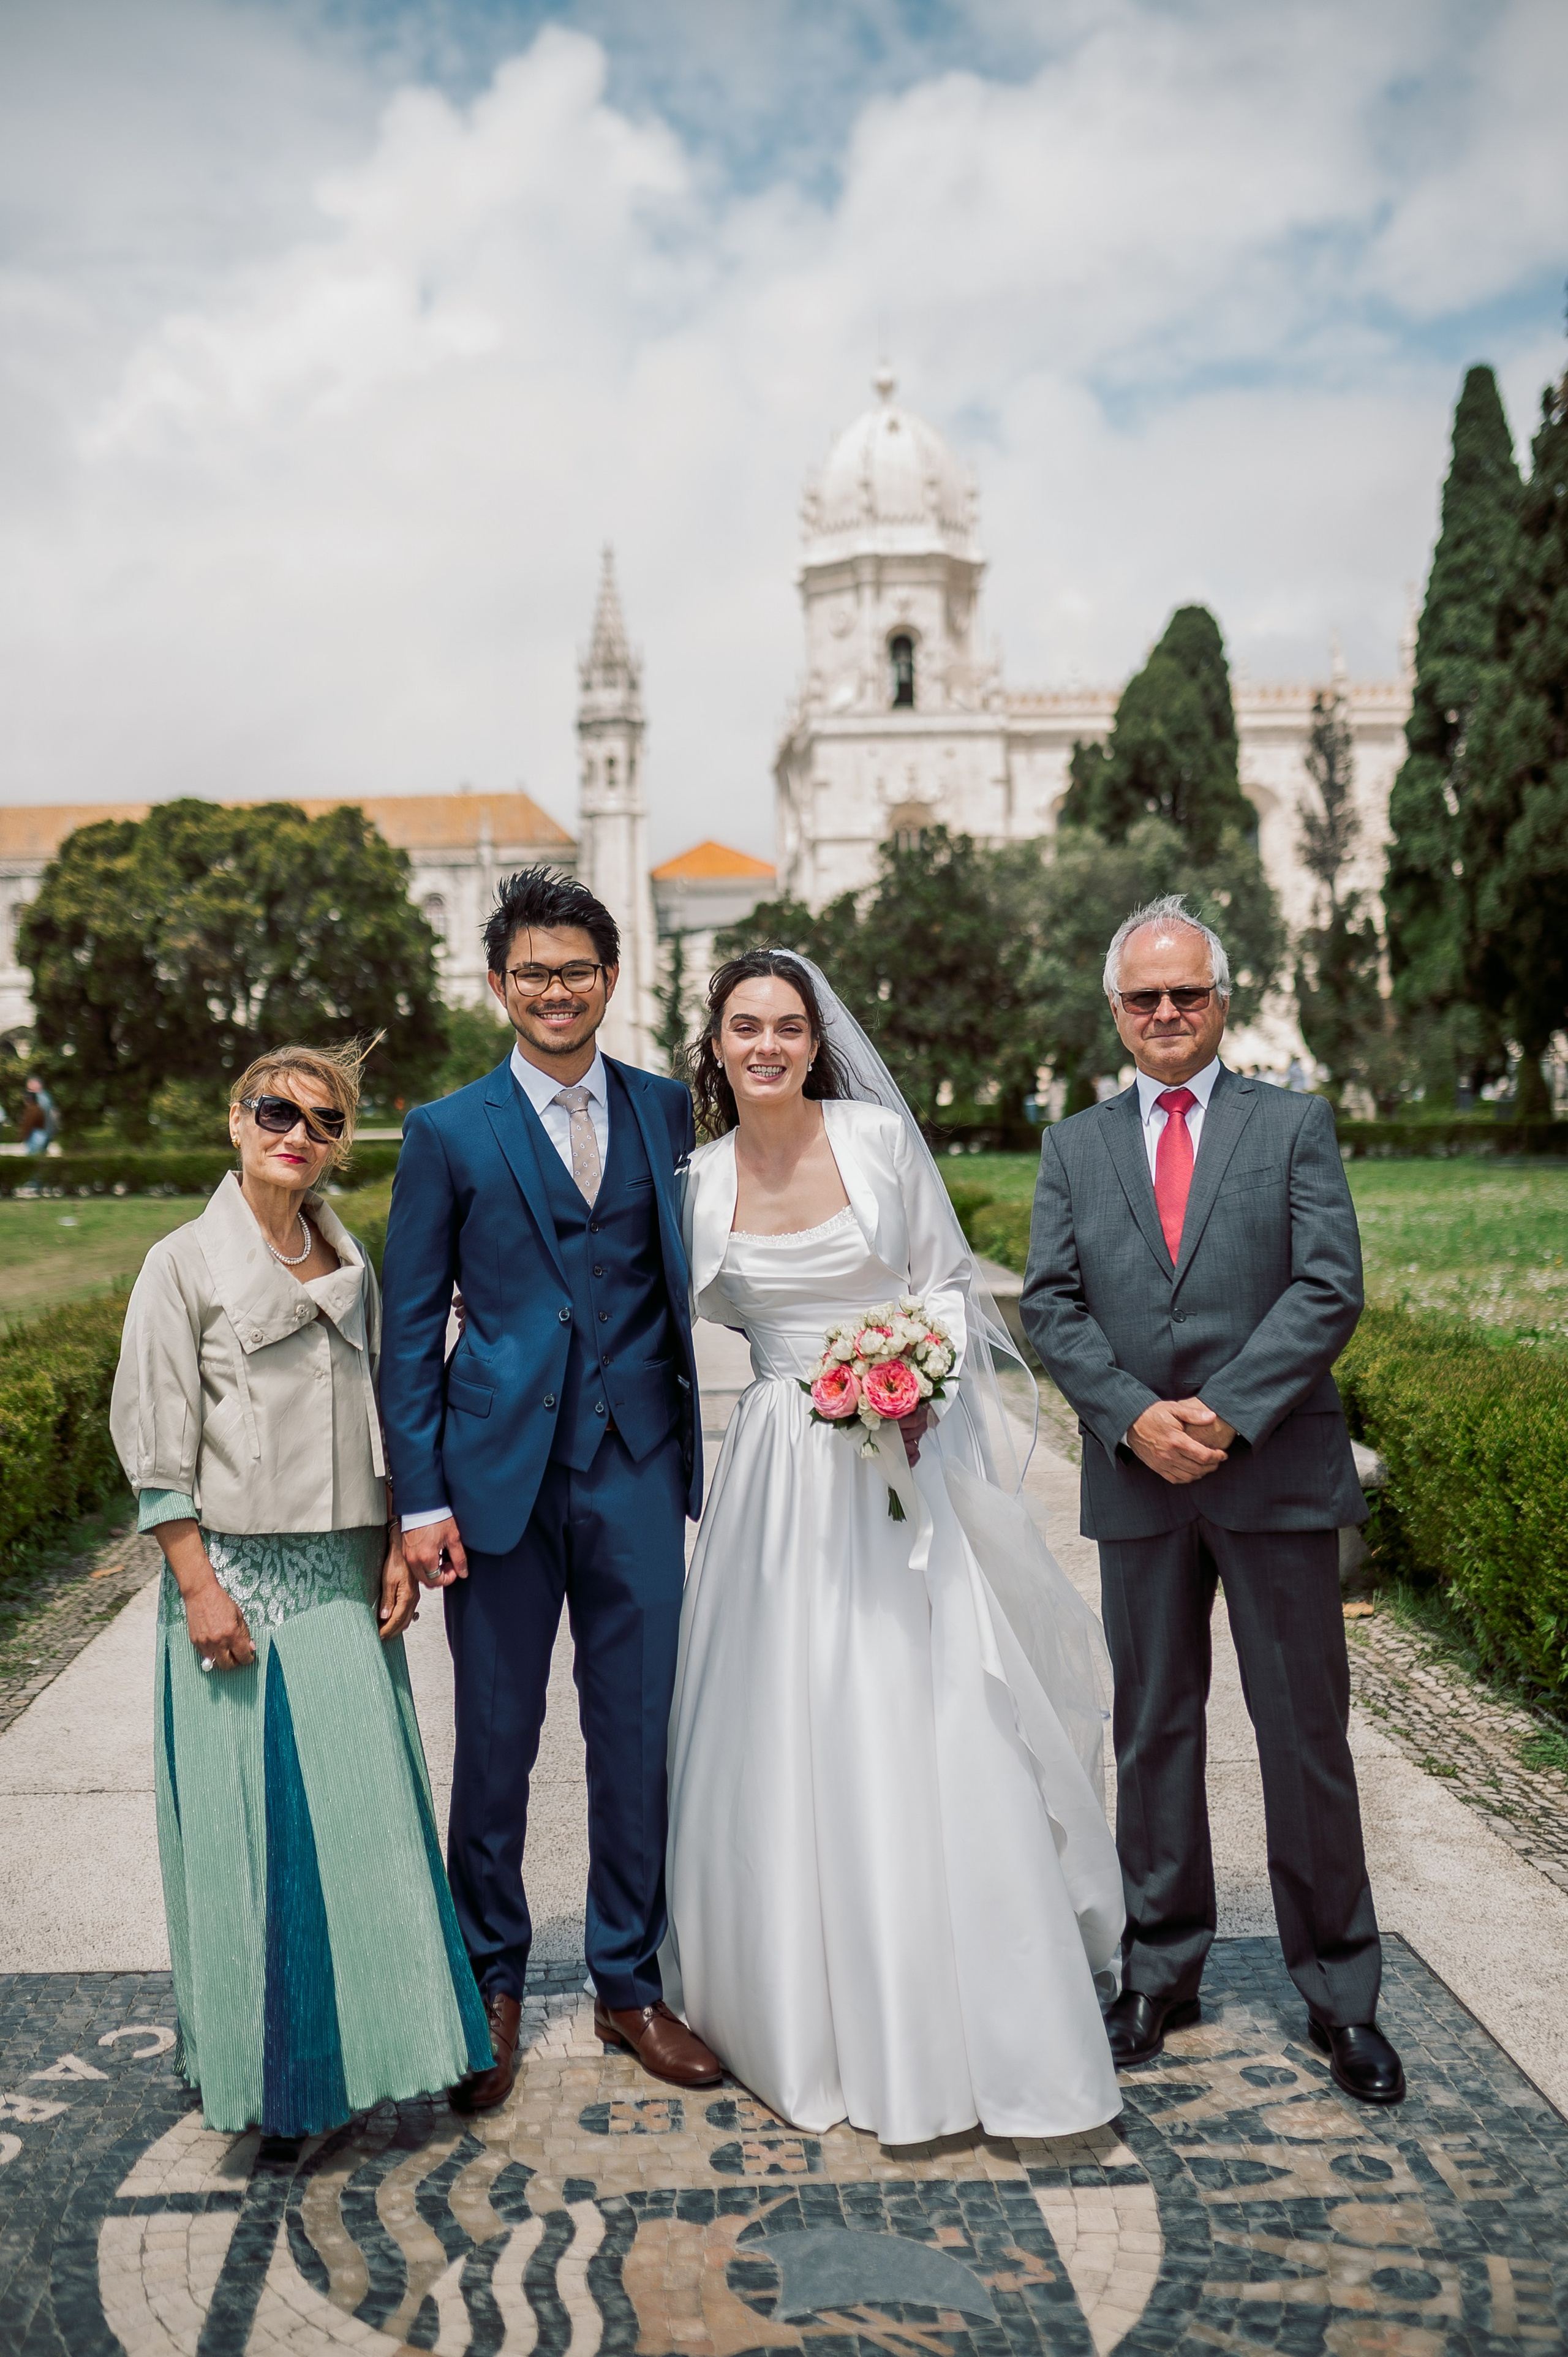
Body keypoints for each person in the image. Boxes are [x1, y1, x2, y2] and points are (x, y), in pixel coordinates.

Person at [663, 951, 1123, 2146]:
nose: (766, 1045)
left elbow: (947, 1290)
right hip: (775, 1475)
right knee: (776, 1716)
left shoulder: (874, 1145)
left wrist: (912, 1386)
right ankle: (784, 2000)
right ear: (715, 1045)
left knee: (917, 1704)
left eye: (787, 1025)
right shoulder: (694, 1185)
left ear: (816, 1042)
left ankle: (965, 2012)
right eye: (744, 1026)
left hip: (893, 1458)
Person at [1021, 895, 1404, 2106]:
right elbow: (1049, 1302)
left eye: (1187, 992)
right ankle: (1159, 1970)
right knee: (1154, 1731)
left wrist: (1226, 1412)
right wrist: (1135, 1415)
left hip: (1274, 1472)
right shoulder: (1073, 1145)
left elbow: (1327, 1285)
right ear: (1116, 1011)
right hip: (1139, 1478)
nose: (1167, 1012)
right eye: (1144, 996)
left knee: (1303, 1737)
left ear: (1220, 1001)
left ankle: (1341, 1994)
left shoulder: (1291, 1124)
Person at [110, 1043, 491, 2155]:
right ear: (237, 1119)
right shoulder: (180, 1264)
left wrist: (391, 1542)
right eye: (277, 1110)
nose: (298, 1133)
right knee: (262, 1838)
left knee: (368, 1830)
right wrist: (198, 1586)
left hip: (344, 1575)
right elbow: (157, 1447)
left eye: (324, 1121)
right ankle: (279, 2080)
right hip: (237, 1581)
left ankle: (388, 2051)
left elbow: (381, 1410)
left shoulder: (351, 1256)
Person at [379, 869, 717, 2111]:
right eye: (533, 971)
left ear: (609, 978)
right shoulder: (446, 1130)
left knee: (636, 1735)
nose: (556, 990)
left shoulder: (668, 1108)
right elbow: (409, 1328)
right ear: (498, 984)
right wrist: (421, 1501)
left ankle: (628, 1978)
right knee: (496, 1742)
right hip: (494, 1481)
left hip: (637, 1466)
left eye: (577, 969)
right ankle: (491, 1982)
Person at [20, 1075, 57, 1155]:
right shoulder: (45, 1097)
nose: (28, 1088)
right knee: (39, 1155)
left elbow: (37, 1115)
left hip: (40, 1131)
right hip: (44, 1130)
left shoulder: (40, 1098)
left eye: (31, 1085)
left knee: (34, 1155)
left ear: (38, 1085)